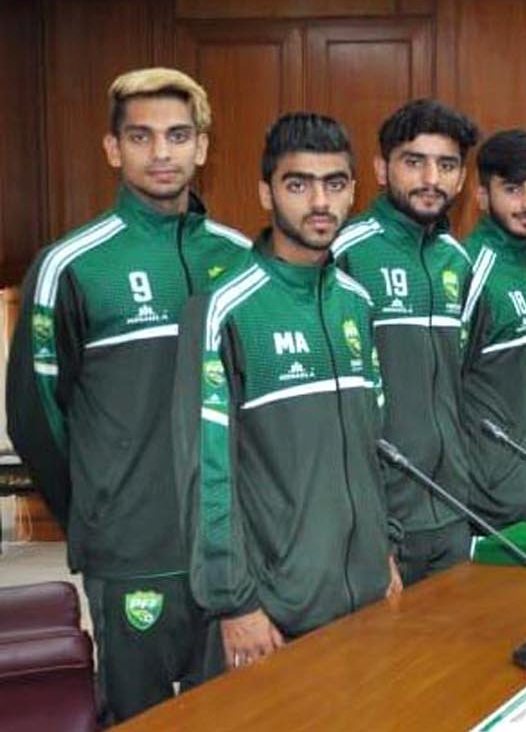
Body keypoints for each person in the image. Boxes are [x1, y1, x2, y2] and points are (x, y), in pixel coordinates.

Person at [5, 67, 248, 722]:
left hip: (229, 551)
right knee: (141, 719)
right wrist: (96, 511)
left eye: (178, 135)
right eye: (141, 137)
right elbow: (34, 415)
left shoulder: (240, 258)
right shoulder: (72, 264)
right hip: (132, 551)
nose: (161, 152)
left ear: (202, 146)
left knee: (238, 714)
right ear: (114, 149)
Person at [170, 112, 398, 675]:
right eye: (298, 184)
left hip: (368, 593)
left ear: (353, 191)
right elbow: (207, 471)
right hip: (275, 612)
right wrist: (234, 602)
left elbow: (374, 446)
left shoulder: (356, 302)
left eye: (335, 184)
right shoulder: (223, 310)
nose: (320, 202)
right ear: (266, 193)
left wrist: (384, 552)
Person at [331, 98, 480, 585]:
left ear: (462, 178)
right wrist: (368, 531)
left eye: (447, 165)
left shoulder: (456, 260)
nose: (431, 179)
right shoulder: (343, 253)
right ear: (381, 169)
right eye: (414, 162)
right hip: (378, 521)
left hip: (453, 509)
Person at [460, 129, 526, 527]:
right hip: (487, 500)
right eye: (513, 190)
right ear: (482, 196)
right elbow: (443, 390)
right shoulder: (472, 270)